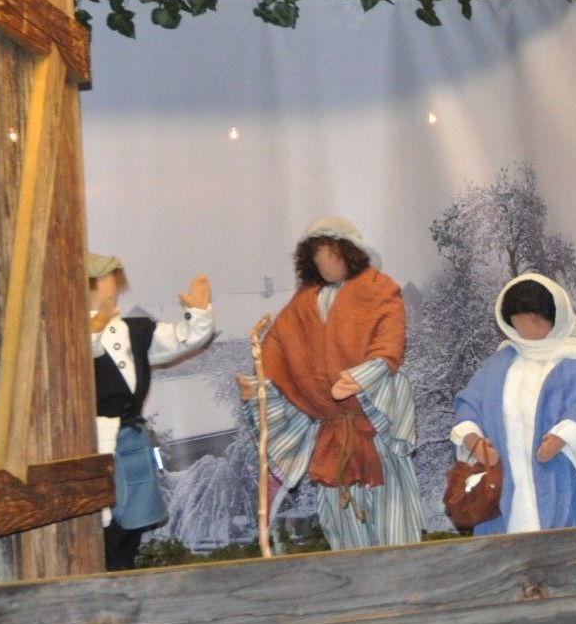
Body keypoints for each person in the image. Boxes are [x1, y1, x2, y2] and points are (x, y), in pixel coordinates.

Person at [240, 216, 424, 551]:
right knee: (343, 531)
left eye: (328, 252)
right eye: (316, 254)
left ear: (347, 251)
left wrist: (361, 376)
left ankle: (402, 586)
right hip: (332, 439)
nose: (322, 261)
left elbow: (389, 342)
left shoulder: (379, 289)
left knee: (393, 523)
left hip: (374, 430)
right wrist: (260, 387)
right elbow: (279, 354)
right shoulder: (303, 303)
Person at [451, 272, 576, 534]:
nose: (526, 329)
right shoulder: (499, 365)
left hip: (563, 479)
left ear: (555, 317)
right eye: (518, 321)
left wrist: (564, 436)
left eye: (533, 319)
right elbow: (469, 403)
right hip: (507, 486)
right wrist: (474, 439)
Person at [87, 253, 214, 569]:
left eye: (114, 286)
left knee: (130, 525)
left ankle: (124, 581)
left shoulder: (135, 331)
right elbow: (79, 353)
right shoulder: (63, 334)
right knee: (99, 528)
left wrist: (197, 313)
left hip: (131, 441)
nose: (111, 292)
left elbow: (182, 339)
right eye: (104, 286)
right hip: (93, 445)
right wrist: (95, 325)